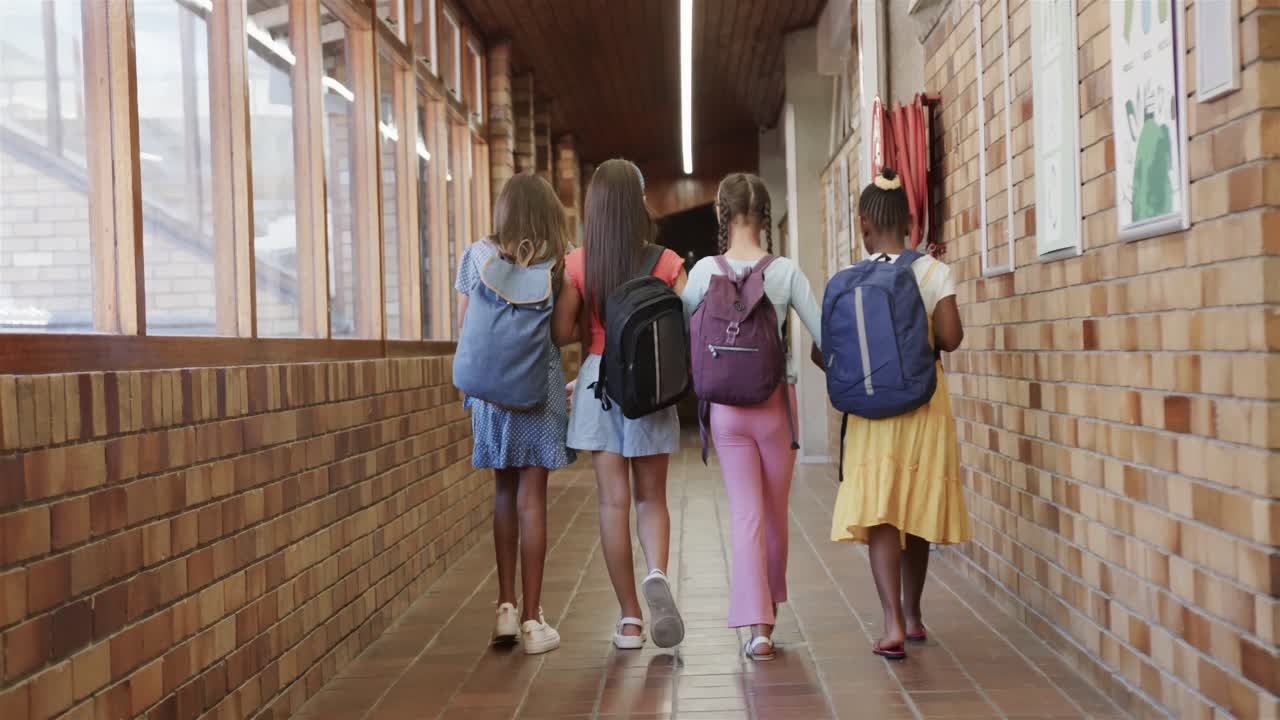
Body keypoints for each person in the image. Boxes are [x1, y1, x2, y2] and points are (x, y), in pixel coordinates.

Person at [829, 168, 970, 660]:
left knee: (883, 513)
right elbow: (951, 338)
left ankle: (889, 621)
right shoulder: (932, 272)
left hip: (871, 414)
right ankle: (913, 615)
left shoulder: (848, 279)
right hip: (924, 406)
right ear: (910, 222)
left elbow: (823, 352)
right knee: (915, 508)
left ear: (864, 224)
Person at [681, 173, 822, 661]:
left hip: (724, 412)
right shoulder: (784, 272)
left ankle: (755, 628)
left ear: (721, 214)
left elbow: (683, 334)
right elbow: (825, 333)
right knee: (775, 513)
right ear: (765, 216)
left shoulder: (702, 273)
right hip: (774, 409)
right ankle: (770, 614)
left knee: (746, 514)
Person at [560, 159, 688, 649]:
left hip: (597, 382)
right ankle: (656, 571)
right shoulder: (668, 261)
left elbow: (559, 332)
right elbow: (684, 323)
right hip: (650, 385)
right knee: (650, 497)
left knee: (612, 502)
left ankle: (630, 619)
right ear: (640, 204)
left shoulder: (578, 263)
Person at [455, 174, 579, 655]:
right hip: (538, 392)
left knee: (503, 494)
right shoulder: (559, 267)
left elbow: (465, 327)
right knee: (533, 498)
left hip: (489, 395)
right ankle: (533, 620)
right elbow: (563, 333)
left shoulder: (475, 257)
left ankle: (505, 607)